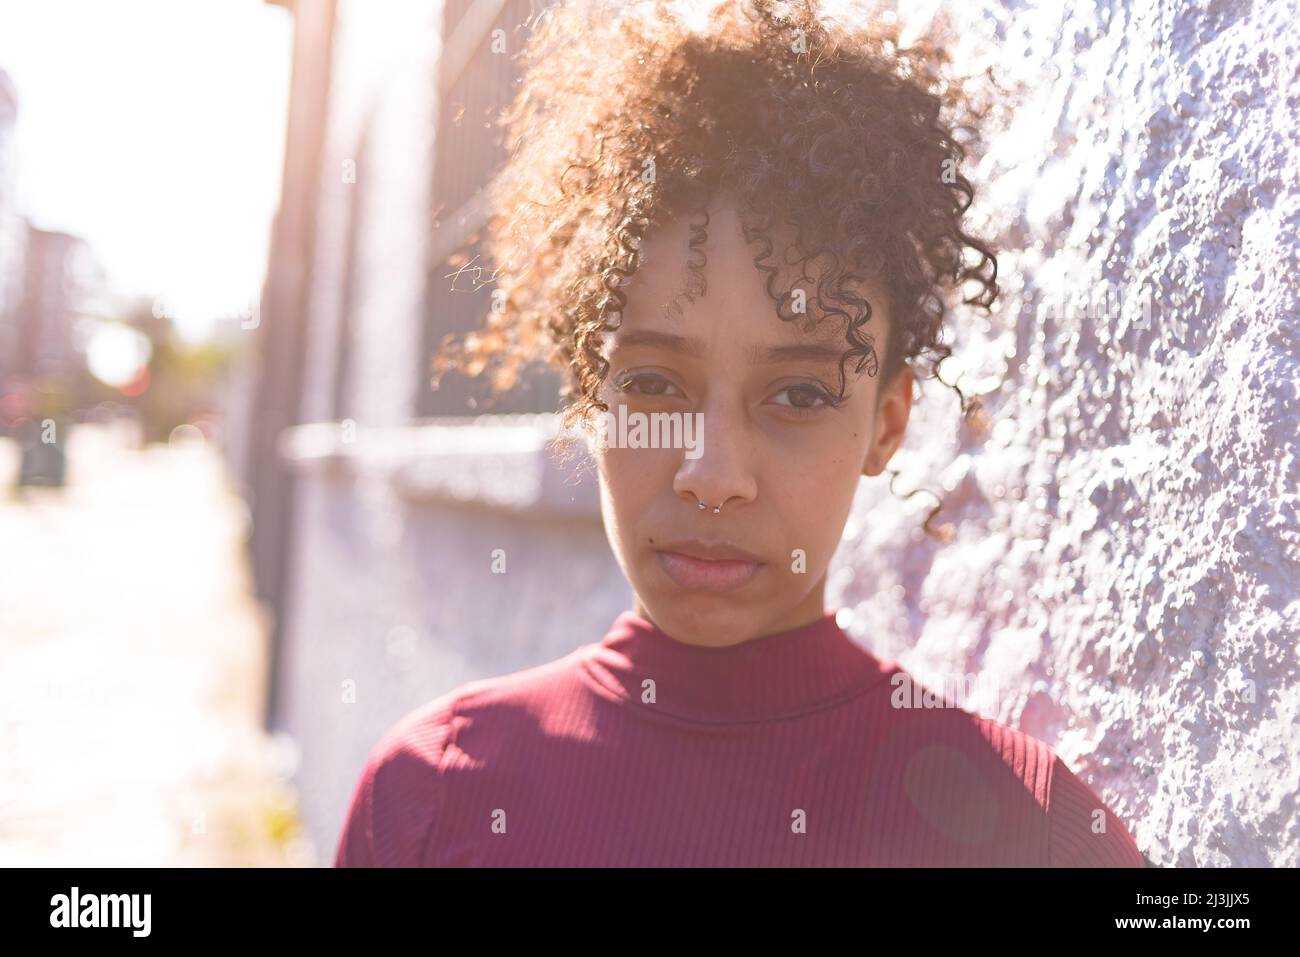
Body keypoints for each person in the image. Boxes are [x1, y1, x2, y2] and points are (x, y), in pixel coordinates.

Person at [334, 0, 1147, 867]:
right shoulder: (431, 793)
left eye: (797, 393)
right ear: (587, 392)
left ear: (888, 424)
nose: (712, 472)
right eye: (652, 384)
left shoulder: (1038, 835)